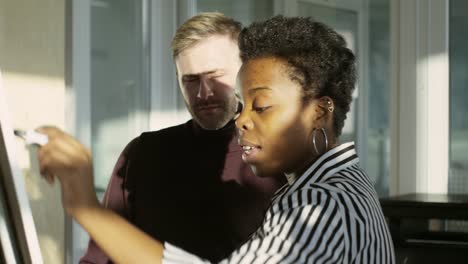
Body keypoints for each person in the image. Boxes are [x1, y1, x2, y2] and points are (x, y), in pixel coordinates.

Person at [38, 15, 395, 263]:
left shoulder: (322, 205)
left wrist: (84, 204)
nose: (242, 119)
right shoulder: (333, 185)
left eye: (263, 105)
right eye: (189, 80)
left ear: (320, 111)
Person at [79, 12, 282, 263]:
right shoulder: (143, 155)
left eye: (215, 76)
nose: (203, 94)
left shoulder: (280, 160)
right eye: (191, 80)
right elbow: (101, 255)